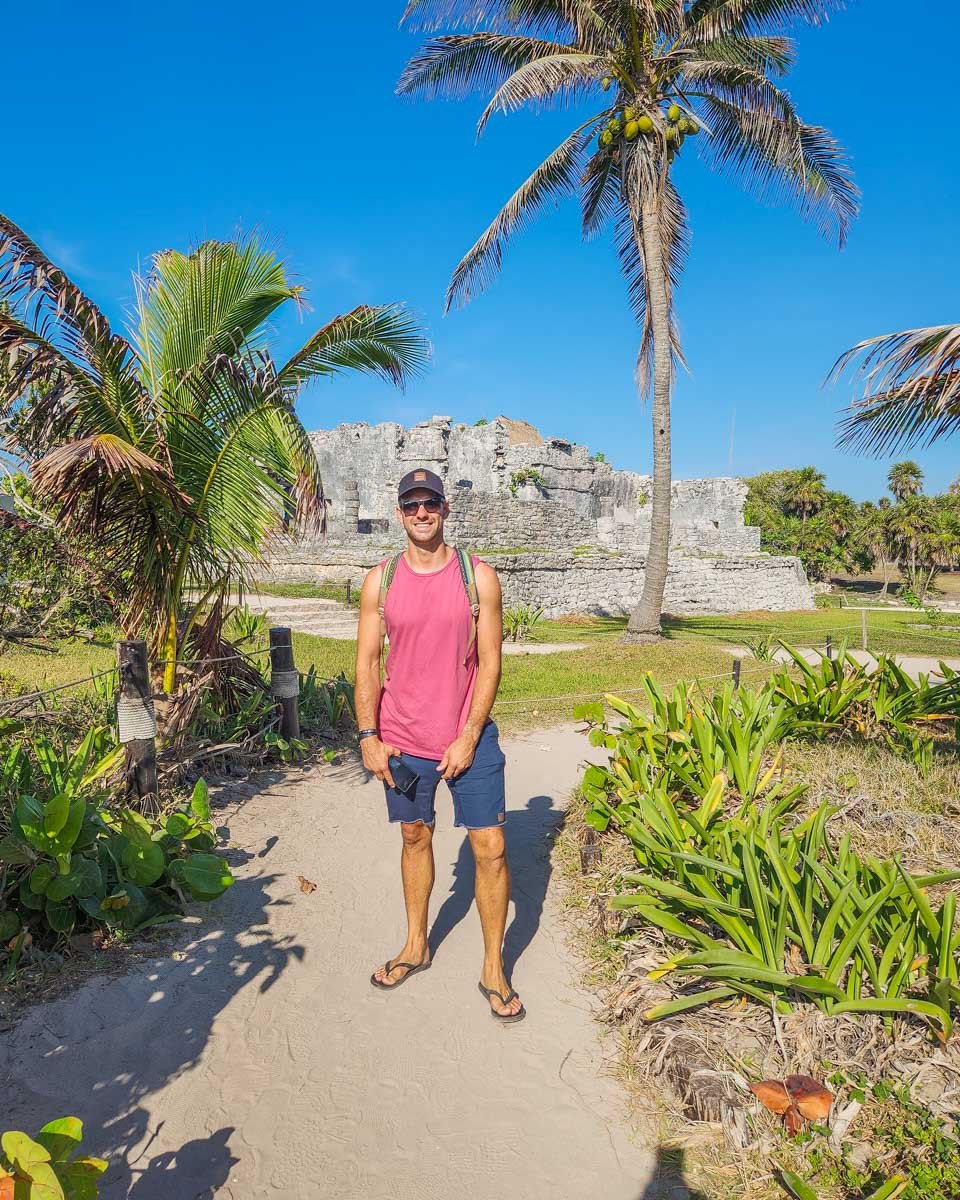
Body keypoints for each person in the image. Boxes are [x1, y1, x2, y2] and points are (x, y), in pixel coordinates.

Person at [354, 467, 524, 1022]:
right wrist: (367, 736)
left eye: (430, 503)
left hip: (466, 737)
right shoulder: (381, 580)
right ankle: (416, 944)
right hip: (402, 737)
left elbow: (492, 663)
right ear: (399, 513)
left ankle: (493, 967)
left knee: (490, 848)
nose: (421, 513)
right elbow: (367, 663)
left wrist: (470, 734)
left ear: (446, 509)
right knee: (413, 835)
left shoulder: (480, 578)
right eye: (411, 504)